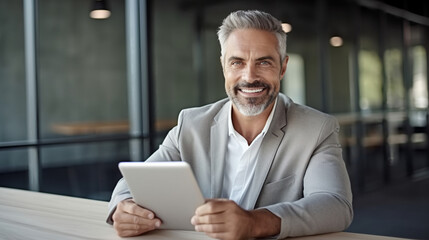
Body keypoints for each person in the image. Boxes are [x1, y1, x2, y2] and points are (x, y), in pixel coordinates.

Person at [107, 10, 353, 240]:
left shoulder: (317, 129)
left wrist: (254, 222)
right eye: (237, 62)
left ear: (283, 67)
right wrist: (124, 208)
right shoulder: (191, 125)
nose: (249, 76)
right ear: (223, 65)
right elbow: (133, 182)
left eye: (264, 62)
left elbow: (335, 205)